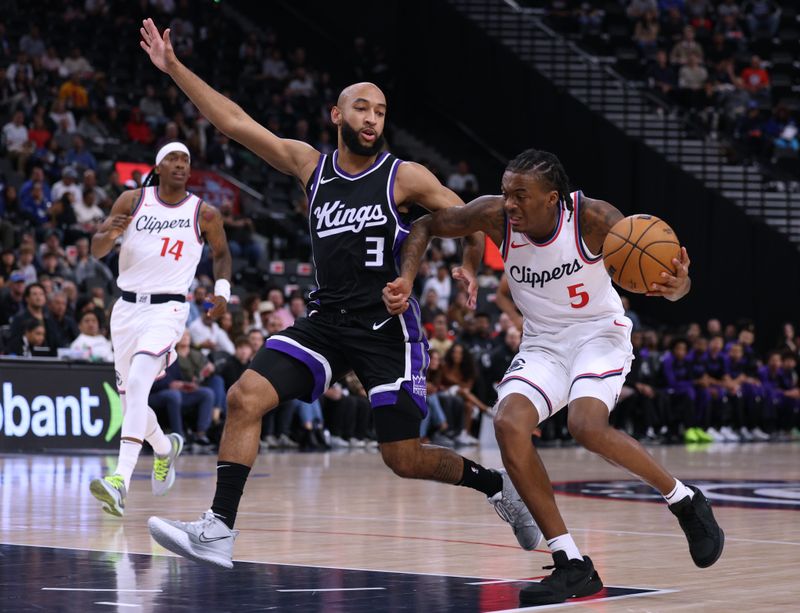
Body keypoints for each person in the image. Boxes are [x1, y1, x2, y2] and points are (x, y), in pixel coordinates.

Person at [139, 18, 540, 568]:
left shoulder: (405, 176)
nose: (372, 118)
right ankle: (218, 530)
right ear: (336, 114)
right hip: (326, 321)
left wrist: (470, 266)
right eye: (361, 108)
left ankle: (494, 485)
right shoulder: (311, 165)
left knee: (402, 458)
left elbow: (471, 219)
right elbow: (233, 122)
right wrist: (174, 66)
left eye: (379, 111)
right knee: (242, 398)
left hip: (386, 327)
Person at [384, 148, 724, 605]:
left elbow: (666, 285)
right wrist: (419, 275)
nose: (510, 204)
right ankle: (572, 563)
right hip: (543, 344)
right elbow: (426, 223)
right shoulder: (494, 216)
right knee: (507, 424)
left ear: (554, 198)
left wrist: (678, 286)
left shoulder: (596, 220)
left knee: (585, 425)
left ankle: (684, 499)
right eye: (506, 193)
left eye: (521, 195)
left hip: (597, 335)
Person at [88, 140, 232, 517]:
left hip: (168, 308)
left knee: (138, 384)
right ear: (158, 166)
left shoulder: (204, 213)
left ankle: (118, 481)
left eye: (185, 159)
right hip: (125, 310)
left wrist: (222, 291)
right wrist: (109, 235)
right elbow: (96, 249)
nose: (181, 165)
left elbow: (222, 253)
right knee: (130, 400)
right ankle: (166, 448)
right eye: (173, 158)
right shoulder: (132, 200)